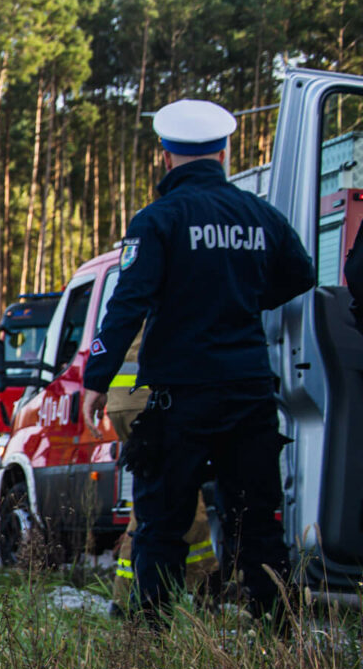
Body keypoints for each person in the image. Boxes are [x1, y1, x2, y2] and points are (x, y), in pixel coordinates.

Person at [82, 98, 315, 627]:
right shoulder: (260, 215)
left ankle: (150, 636)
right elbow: (301, 273)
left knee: (163, 522)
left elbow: (128, 304)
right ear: (225, 151)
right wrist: (245, 297)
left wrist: (96, 378)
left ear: (165, 155)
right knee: (258, 522)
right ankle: (277, 634)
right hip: (249, 391)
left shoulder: (159, 219)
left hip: (180, 396)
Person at [105, 331, 218, 610]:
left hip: (126, 399)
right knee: (178, 499)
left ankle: (127, 594)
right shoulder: (182, 287)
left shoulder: (139, 292)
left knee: (150, 502)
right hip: (152, 397)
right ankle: (204, 588)